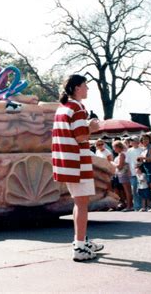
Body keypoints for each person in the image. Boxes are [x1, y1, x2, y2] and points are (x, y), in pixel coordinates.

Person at [52, 74, 103, 262]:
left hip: (65, 162)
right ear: (76, 88)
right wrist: (92, 127)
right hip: (77, 162)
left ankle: (80, 241)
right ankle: (80, 246)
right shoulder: (78, 107)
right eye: (85, 86)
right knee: (82, 205)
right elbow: (81, 137)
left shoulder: (63, 107)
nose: (88, 89)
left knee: (78, 203)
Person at [112, 140, 133, 211]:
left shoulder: (122, 154)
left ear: (118, 147)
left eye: (114, 147)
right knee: (127, 190)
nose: (114, 149)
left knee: (127, 190)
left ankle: (129, 206)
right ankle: (129, 205)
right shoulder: (123, 153)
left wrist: (112, 164)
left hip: (124, 173)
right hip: (122, 174)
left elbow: (120, 166)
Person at [125, 136, 143, 211]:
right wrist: (129, 171)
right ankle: (136, 206)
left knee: (142, 189)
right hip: (132, 173)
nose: (133, 142)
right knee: (134, 190)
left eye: (134, 140)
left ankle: (143, 205)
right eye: (132, 140)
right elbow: (127, 162)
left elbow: (142, 161)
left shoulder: (141, 150)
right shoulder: (129, 151)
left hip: (141, 172)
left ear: (138, 142)